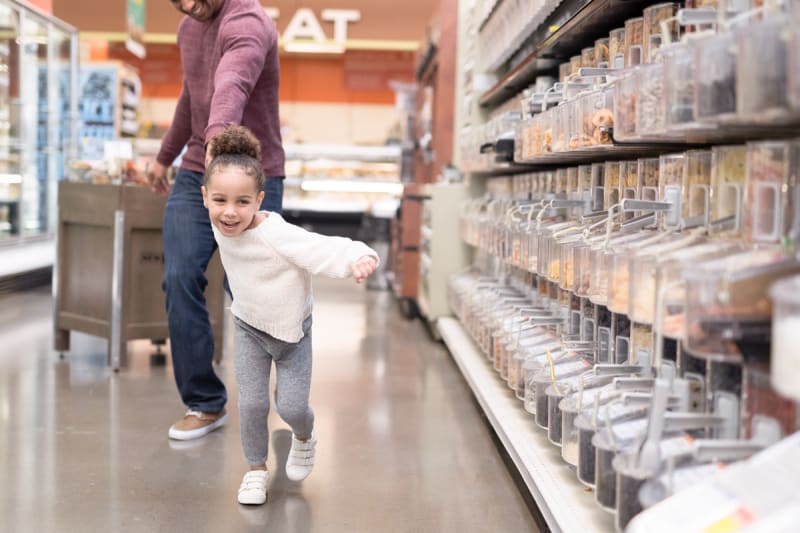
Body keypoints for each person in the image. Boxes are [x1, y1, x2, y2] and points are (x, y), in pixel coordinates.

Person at [201, 126, 378, 504]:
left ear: (259, 200)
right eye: (220, 200)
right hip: (248, 326)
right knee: (251, 404)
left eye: (242, 202)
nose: (230, 212)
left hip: (292, 334)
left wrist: (359, 257)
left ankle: (303, 436)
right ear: (205, 199)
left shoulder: (275, 234)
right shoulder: (220, 224)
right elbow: (216, 169)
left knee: (292, 407)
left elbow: (321, 247)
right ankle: (255, 470)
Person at [148, 0, 285, 441]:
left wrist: (217, 141)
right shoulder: (189, 29)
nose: (188, 5)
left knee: (251, 288)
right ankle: (204, 402)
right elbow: (192, 97)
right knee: (179, 275)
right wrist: (163, 158)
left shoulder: (247, 22)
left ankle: (280, 391)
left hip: (250, 172)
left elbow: (233, 83)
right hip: (195, 171)